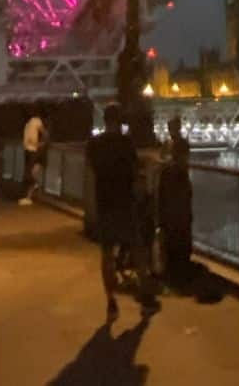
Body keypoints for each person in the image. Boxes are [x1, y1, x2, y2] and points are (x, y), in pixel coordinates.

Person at [86, 103, 157, 323]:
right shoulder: (126, 143)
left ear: (105, 120)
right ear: (120, 120)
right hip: (125, 205)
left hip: (105, 204)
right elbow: (135, 171)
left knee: (106, 256)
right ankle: (145, 299)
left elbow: (91, 168)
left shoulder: (95, 145)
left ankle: (111, 302)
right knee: (137, 251)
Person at [158, 115, 193, 286]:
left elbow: (176, 164)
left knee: (174, 230)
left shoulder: (176, 145)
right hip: (177, 194)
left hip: (175, 193)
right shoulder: (174, 144)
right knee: (178, 231)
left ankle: (175, 270)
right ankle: (178, 269)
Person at [18, 105, 48, 205]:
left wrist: (40, 144)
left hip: (32, 150)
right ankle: (29, 196)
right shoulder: (29, 122)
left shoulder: (35, 120)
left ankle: (31, 192)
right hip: (28, 150)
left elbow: (44, 133)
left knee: (29, 173)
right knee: (30, 173)